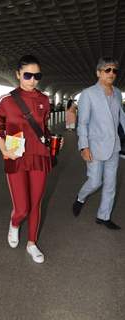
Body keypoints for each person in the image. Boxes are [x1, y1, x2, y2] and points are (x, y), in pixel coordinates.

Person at [0, 55, 53, 263]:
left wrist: (53, 140)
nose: (32, 80)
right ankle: (15, 223)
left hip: (39, 156)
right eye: (27, 75)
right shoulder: (6, 100)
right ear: (18, 74)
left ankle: (32, 243)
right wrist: (4, 150)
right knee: (22, 208)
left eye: (37, 76)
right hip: (16, 156)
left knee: (36, 203)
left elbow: (44, 128)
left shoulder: (45, 99)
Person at [72, 57, 125, 229]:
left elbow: (121, 117)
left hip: (114, 146)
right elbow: (83, 122)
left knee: (111, 184)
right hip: (94, 146)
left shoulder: (117, 93)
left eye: (114, 70)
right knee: (95, 181)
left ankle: (103, 216)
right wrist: (83, 146)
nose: (111, 73)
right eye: (107, 70)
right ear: (98, 73)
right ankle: (80, 197)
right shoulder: (88, 94)